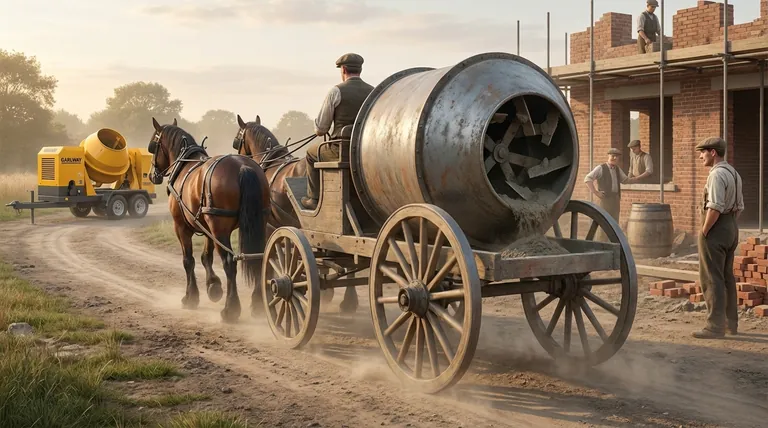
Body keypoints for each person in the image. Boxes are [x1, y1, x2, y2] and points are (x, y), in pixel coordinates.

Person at [301, 53, 374, 210]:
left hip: (341, 150)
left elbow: (321, 129)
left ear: (344, 70)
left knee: (310, 154)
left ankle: (313, 198)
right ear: (360, 70)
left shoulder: (336, 91)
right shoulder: (373, 92)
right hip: (366, 151)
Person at [692, 136, 744, 339]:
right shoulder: (734, 173)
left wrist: (705, 231)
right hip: (731, 226)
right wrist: (728, 225)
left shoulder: (716, 175)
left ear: (713, 153)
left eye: (703, 152)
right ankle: (732, 324)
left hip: (716, 227)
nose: (700, 156)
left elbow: (714, 207)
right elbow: (739, 207)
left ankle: (715, 327)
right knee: (727, 278)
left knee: (712, 278)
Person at [584, 148, 635, 224]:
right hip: (605, 200)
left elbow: (625, 180)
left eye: (617, 157)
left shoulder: (617, 169)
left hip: (615, 199)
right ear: (608, 156)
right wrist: (596, 192)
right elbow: (588, 179)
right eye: (613, 156)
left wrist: (638, 178)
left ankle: (611, 236)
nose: (614, 158)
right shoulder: (601, 168)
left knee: (614, 222)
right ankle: (602, 236)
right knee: (604, 221)